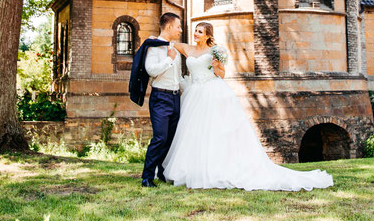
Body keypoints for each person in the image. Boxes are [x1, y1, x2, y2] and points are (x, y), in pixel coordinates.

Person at [162, 22, 334, 191]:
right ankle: (193, 169)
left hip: (212, 91)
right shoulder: (188, 49)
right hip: (194, 94)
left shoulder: (215, 51)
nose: (196, 34)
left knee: (215, 131)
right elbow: (167, 43)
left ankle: (216, 169)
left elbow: (221, 75)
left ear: (208, 35)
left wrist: (216, 66)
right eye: (196, 31)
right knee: (194, 132)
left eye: (200, 32)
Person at [136, 12, 187, 187]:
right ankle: (147, 177)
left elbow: (178, 78)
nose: (180, 30)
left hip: (174, 98)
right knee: (160, 137)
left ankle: (163, 172)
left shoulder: (174, 50)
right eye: (178, 26)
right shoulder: (154, 47)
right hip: (160, 97)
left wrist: (195, 89)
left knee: (171, 138)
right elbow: (151, 70)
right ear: (169, 27)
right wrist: (169, 59)